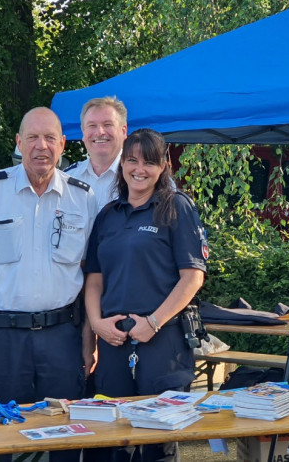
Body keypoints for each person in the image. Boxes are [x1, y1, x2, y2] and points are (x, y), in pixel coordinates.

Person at [0, 106, 97, 462]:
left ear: (62, 145)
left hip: (63, 335)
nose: (40, 146)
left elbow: (93, 271)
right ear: (19, 142)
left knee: (66, 436)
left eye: (49, 138)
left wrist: (90, 338)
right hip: (1, 337)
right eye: (32, 137)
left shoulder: (84, 197)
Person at [84, 128, 208, 462]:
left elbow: (192, 278)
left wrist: (153, 322)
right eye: (132, 160)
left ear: (163, 165)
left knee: (158, 442)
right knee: (112, 441)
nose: (140, 169)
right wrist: (97, 324)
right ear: (122, 163)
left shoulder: (176, 208)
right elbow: (94, 279)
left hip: (163, 341)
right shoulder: (107, 215)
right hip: (113, 341)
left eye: (149, 162)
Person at [64, 96, 128, 212]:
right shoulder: (67, 179)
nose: (99, 132)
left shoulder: (144, 177)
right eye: (92, 125)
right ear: (83, 132)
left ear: (123, 131)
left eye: (107, 124)